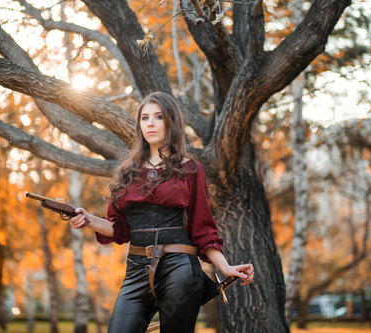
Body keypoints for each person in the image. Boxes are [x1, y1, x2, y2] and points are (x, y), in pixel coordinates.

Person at [67, 92, 254, 333]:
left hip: (179, 266)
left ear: (171, 122)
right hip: (136, 269)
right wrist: (87, 219)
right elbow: (119, 229)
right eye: (145, 118)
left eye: (158, 117)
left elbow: (203, 228)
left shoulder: (190, 168)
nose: (151, 123)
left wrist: (225, 268)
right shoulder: (126, 173)